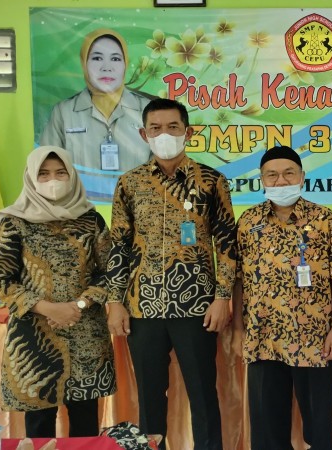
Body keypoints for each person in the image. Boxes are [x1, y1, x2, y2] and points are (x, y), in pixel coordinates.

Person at [105, 98, 236, 450]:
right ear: (144, 134)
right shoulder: (129, 183)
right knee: (149, 398)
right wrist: (114, 301)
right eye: (156, 128)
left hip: (197, 307)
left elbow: (226, 243)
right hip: (143, 308)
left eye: (173, 127)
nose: (164, 134)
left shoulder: (212, 181)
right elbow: (118, 245)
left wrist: (222, 296)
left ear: (188, 132)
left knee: (203, 395)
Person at [0, 146, 116, 438]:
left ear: (72, 176)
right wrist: (48, 308)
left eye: (61, 173)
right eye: (44, 174)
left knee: (85, 424)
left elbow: (109, 271)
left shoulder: (91, 220)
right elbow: (1, 279)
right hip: (34, 337)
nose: (53, 180)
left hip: (86, 334)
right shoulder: (14, 222)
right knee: (39, 426)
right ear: (31, 178)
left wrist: (79, 305)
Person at [232, 145, 332, 450]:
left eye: (288, 173)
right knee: (267, 430)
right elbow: (238, 280)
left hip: (313, 338)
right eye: (272, 175)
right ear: (262, 179)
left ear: (302, 177)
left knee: (319, 428)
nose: (281, 181)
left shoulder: (324, 219)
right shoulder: (248, 222)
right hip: (263, 338)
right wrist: (238, 330)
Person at [40, 28, 153, 202]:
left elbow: (162, 168)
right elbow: (47, 167)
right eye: (97, 58)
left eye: (115, 59)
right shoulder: (64, 112)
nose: (106, 67)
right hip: (81, 211)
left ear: (125, 64)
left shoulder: (147, 110)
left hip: (137, 210)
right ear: (84, 63)